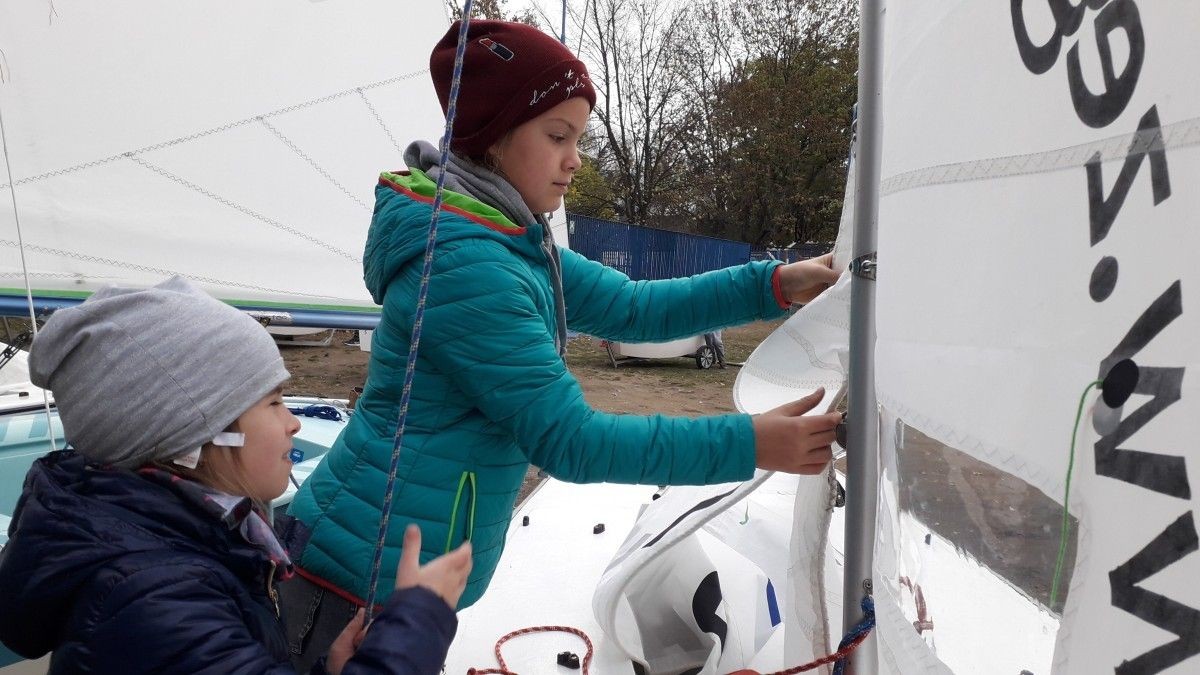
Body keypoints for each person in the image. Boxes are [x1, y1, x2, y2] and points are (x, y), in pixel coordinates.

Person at [282, 19, 841, 667]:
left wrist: (773, 283)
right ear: (491, 140)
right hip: (349, 580)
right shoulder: (466, 264)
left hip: (396, 576)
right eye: (557, 137)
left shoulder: (512, 242)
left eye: (578, 138)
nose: (575, 158)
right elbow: (570, 440)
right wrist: (750, 442)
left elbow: (633, 306)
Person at [0, 277, 471, 674]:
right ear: (194, 436)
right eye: (273, 402)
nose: (294, 422)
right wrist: (420, 622)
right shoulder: (156, 598)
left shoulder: (175, 547)